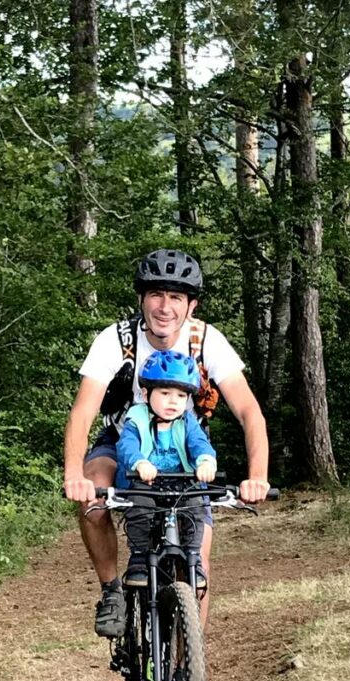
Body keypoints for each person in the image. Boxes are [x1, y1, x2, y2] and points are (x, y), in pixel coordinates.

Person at [64, 248, 270, 638]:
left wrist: (257, 476)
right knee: (92, 493)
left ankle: (189, 669)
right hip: (126, 439)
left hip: (186, 449)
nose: (165, 306)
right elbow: (83, 412)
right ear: (141, 298)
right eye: (156, 294)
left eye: (176, 297)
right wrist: (74, 474)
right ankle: (112, 591)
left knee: (198, 565)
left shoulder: (206, 340)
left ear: (191, 305)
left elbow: (248, 411)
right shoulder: (116, 340)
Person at [116, 349, 217, 588]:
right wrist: (139, 462)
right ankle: (139, 558)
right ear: (145, 392)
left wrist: (205, 461)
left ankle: (193, 559)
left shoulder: (187, 421)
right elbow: (126, 445)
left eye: (182, 396)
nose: (174, 401)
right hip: (145, 481)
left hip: (181, 480)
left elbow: (199, 443)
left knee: (196, 507)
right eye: (165, 393)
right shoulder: (137, 418)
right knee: (141, 506)